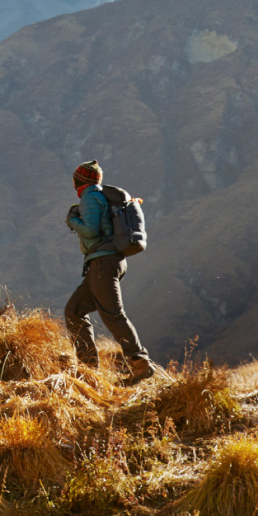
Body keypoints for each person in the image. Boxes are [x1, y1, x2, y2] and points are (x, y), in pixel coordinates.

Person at [63, 160, 158, 380]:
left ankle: (139, 361)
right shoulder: (100, 195)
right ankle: (89, 370)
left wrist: (72, 220)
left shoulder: (90, 197)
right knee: (74, 311)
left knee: (113, 315)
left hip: (102, 264)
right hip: (106, 262)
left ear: (81, 180)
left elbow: (91, 231)